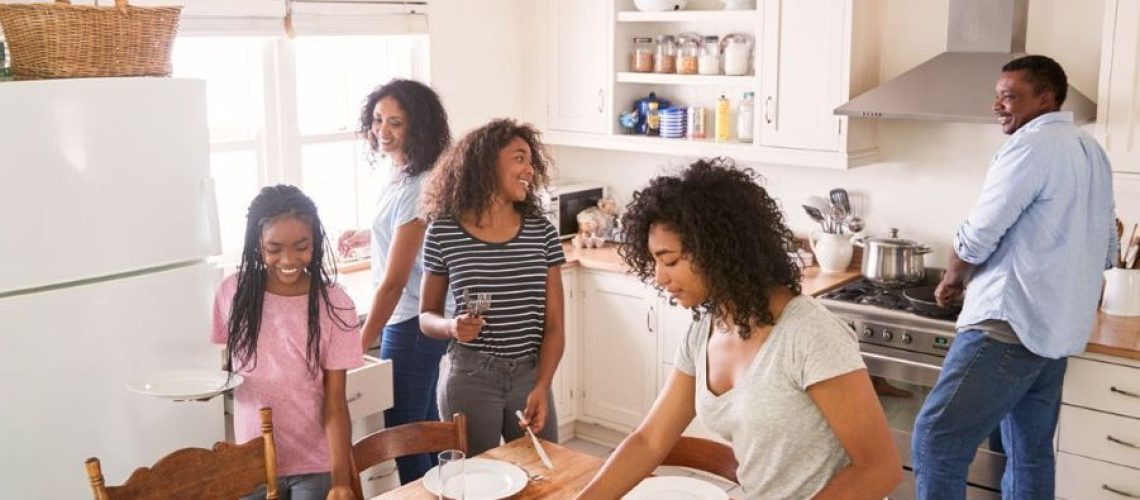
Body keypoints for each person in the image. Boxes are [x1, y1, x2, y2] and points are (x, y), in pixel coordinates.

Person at [576, 159, 901, 499]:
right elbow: (649, 441)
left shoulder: (809, 333)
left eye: (669, 260)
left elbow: (878, 469)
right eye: (654, 261)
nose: (659, 277)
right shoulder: (705, 331)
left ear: (716, 250)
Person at [914, 55, 1117, 499]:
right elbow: (1107, 248)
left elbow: (978, 235)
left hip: (1008, 326)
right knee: (1029, 451)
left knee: (936, 439)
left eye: (1009, 96)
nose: (997, 106)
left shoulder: (1030, 147)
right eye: (997, 96)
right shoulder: (1092, 152)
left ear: (1046, 98)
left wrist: (952, 278)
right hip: (1056, 333)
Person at [418, 118, 565, 456]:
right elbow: (427, 316)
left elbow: (555, 327)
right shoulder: (443, 232)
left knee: (546, 477)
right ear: (486, 164)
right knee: (473, 482)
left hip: (530, 376)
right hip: (470, 377)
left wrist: (543, 386)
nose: (529, 169)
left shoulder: (541, 232)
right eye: (519, 158)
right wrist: (452, 327)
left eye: (531, 160)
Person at [211, 185, 362, 500]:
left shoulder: (334, 304)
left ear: (315, 242)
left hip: (314, 465)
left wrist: (340, 480)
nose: (289, 259)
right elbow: (231, 366)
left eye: (301, 246)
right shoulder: (232, 294)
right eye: (274, 248)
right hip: (249, 464)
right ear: (257, 244)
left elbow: (335, 403)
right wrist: (209, 387)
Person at [336, 79, 452, 484]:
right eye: (377, 119)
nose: (382, 130)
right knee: (425, 426)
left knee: (403, 435)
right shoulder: (401, 174)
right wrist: (369, 235)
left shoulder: (419, 185)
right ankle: (447, 491)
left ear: (416, 127)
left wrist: (358, 343)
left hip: (412, 320)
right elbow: (407, 236)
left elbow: (394, 282)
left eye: (395, 122)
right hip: (419, 316)